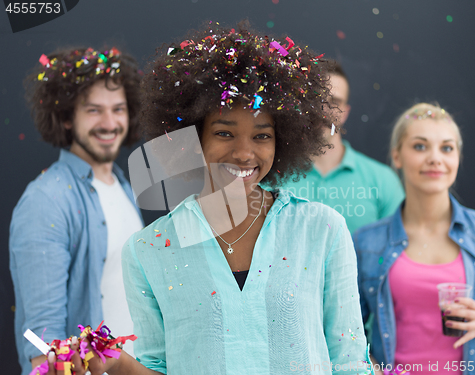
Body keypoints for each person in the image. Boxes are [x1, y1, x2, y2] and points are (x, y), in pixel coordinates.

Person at [42, 22, 372, 375]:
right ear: (192, 138)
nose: (245, 153)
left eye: (262, 136)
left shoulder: (321, 230)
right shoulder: (148, 250)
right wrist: (118, 364)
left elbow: (351, 364)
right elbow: (159, 366)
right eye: (224, 132)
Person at [9, 46, 144, 374]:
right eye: (94, 110)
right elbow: (43, 343)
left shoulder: (123, 186)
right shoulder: (46, 200)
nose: (110, 123)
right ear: (67, 117)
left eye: (118, 109)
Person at [353, 103, 475, 375]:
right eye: (420, 146)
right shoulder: (365, 243)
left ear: (458, 157)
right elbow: (346, 335)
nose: (435, 158)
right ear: (397, 156)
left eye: (447, 148)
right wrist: (374, 370)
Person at [282, 59, 404, 234]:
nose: (323, 110)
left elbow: (398, 251)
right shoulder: (273, 176)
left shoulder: (383, 181)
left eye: (334, 101)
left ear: (346, 112)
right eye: (315, 99)